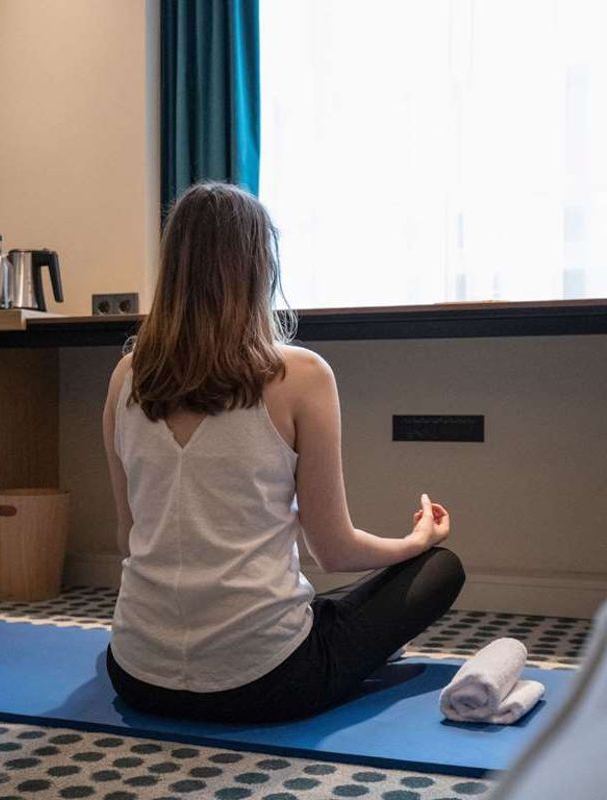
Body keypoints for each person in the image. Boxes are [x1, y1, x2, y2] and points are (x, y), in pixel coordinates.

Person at [101, 181, 465, 723]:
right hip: (267, 683)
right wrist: (416, 542)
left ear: (172, 267)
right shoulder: (302, 375)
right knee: (440, 569)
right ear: (260, 266)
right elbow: (334, 551)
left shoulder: (124, 378)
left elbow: (127, 534)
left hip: (136, 675)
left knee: (320, 607)